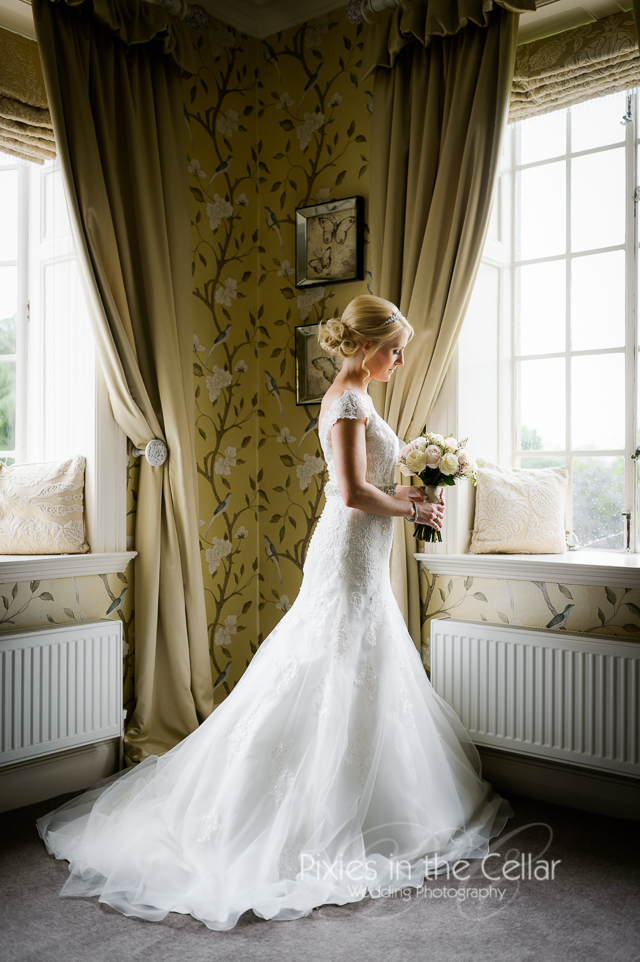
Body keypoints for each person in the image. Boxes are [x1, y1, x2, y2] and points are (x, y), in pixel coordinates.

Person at [36, 294, 514, 931]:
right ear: (365, 346)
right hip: (348, 553)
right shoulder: (348, 402)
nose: (400, 362)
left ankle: (372, 797)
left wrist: (407, 491)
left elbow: (364, 481)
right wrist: (413, 508)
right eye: (395, 350)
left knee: (358, 666)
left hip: (363, 552)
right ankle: (291, 812)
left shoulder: (359, 396)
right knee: (328, 665)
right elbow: (351, 493)